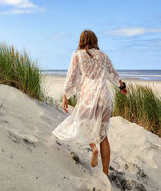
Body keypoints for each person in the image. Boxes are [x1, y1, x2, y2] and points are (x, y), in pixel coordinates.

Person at [52, 30, 127, 176]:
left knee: (83, 123)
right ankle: (105, 173)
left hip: (88, 96)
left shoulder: (77, 55)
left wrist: (65, 95)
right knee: (104, 136)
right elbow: (113, 74)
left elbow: (71, 76)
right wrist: (122, 86)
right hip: (104, 98)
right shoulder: (103, 56)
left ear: (81, 41)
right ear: (95, 40)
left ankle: (93, 148)